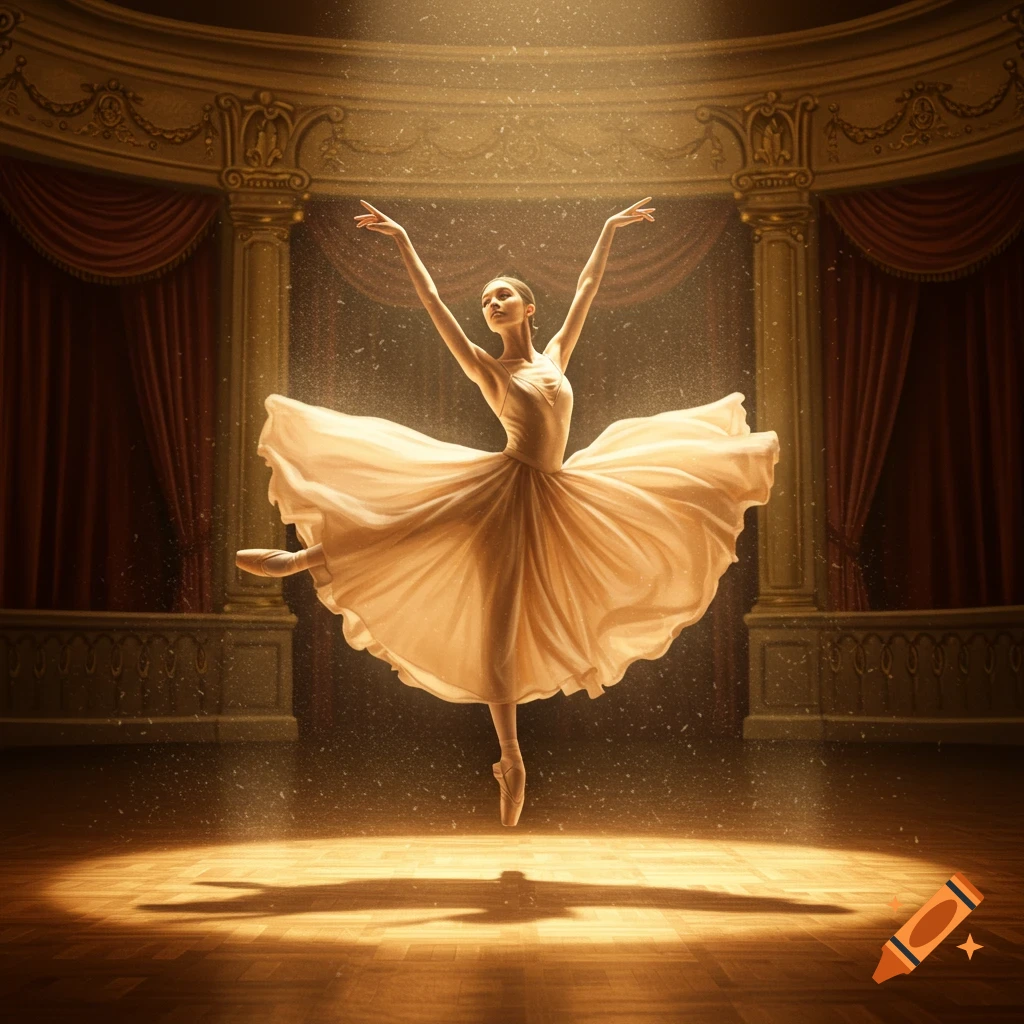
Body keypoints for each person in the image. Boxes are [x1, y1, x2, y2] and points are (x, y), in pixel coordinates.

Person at [237, 197, 780, 826]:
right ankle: (510, 757)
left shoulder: (554, 355)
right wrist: (404, 240)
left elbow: (586, 288)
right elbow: (434, 303)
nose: (492, 305)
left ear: (527, 307)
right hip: (509, 487)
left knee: (593, 536)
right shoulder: (488, 370)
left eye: (502, 297)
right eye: (487, 301)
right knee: (439, 555)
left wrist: (605, 229)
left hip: (560, 491)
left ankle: (305, 558)